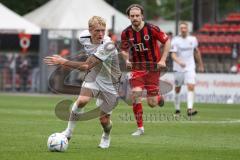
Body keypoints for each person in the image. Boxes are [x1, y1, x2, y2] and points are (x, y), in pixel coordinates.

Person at [44, 16, 121, 149]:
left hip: (110, 81)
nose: (101, 34)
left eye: (104, 30)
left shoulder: (108, 45)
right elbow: (89, 58)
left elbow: (86, 66)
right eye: (97, 30)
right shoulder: (83, 37)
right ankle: (68, 132)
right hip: (94, 75)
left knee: (104, 120)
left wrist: (63, 61)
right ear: (90, 30)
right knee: (82, 101)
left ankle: (106, 135)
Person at [120, 4, 171, 136]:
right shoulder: (125, 33)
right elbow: (124, 50)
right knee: (135, 94)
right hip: (137, 68)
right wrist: (127, 60)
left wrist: (163, 59)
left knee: (152, 103)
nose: (135, 18)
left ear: (142, 16)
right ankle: (140, 128)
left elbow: (167, 41)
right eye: (132, 16)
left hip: (153, 68)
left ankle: (158, 98)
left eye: (137, 16)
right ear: (129, 17)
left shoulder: (152, 28)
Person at [170, 21, 204, 116]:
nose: (183, 30)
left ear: (188, 29)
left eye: (185, 28)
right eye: (182, 28)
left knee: (191, 86)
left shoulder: (193, 39)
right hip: (178, 68)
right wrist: (179, 62)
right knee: (178, 88)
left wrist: (200, 64)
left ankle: (190, 109)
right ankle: (177, 110)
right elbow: (172, 54)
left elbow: (196, 52)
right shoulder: (175, 40)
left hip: (190, 67)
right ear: (180, 30)